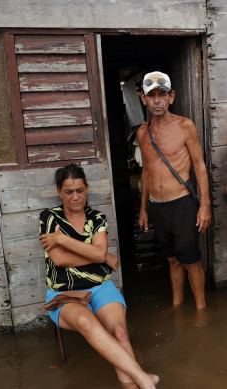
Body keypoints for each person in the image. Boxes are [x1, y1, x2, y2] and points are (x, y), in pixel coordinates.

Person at [39, 163, 158, 389]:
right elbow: (59, 260)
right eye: (69, 192)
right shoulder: (48, 217)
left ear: (87, 188)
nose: (76, 197)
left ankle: (134, 385)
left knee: (120, 332)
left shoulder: (97, 218)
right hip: (64, 292)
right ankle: (144, 378)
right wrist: (99, 256)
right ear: (59, 192)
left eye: (80, 190)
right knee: (86, 321)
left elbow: (97, 252)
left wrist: (63, 240)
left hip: (100, 286)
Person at [135, 71, 212, 310]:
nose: (157, 100)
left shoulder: (184, 126)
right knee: (171, 260)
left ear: (171, 97)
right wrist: (144, 209)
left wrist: (205, 206)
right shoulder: (141, 132)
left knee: (190, 261)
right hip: (157, 208)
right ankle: (177, 306)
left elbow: (199, 165)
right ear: (143, 99)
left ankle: (201, 311)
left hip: (182, 205)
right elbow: (146, 171)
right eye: (152, 95)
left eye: (162, 94)